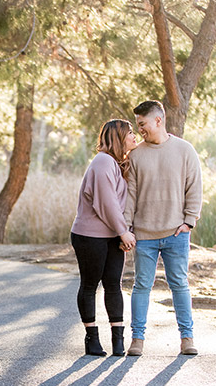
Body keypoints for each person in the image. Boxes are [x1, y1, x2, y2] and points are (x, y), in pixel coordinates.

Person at [123, 99, 202, 356]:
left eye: (143, 124)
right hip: (144, 235)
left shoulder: (185, 150)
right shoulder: (135, 155)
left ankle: (187, 338)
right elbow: (130, 195)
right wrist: (127, 228)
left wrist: (189, 221)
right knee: (141, 285)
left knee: (179, 284)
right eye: (138, 125)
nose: (140, 130)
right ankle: (137, 339)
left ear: (158, 120)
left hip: (175, 233)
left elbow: (194, 188)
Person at [71, 119, 138, 357]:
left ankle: (118, 340)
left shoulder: (120, 164)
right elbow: (106, 203)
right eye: (130, 132)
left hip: (113, 235)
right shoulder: (102, 162)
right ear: (118, 137)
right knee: (90, 285)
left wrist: (125, 230)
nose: (134, 135)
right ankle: (92, 338)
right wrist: (123, 232)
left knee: (113, 285)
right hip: (90, 235)